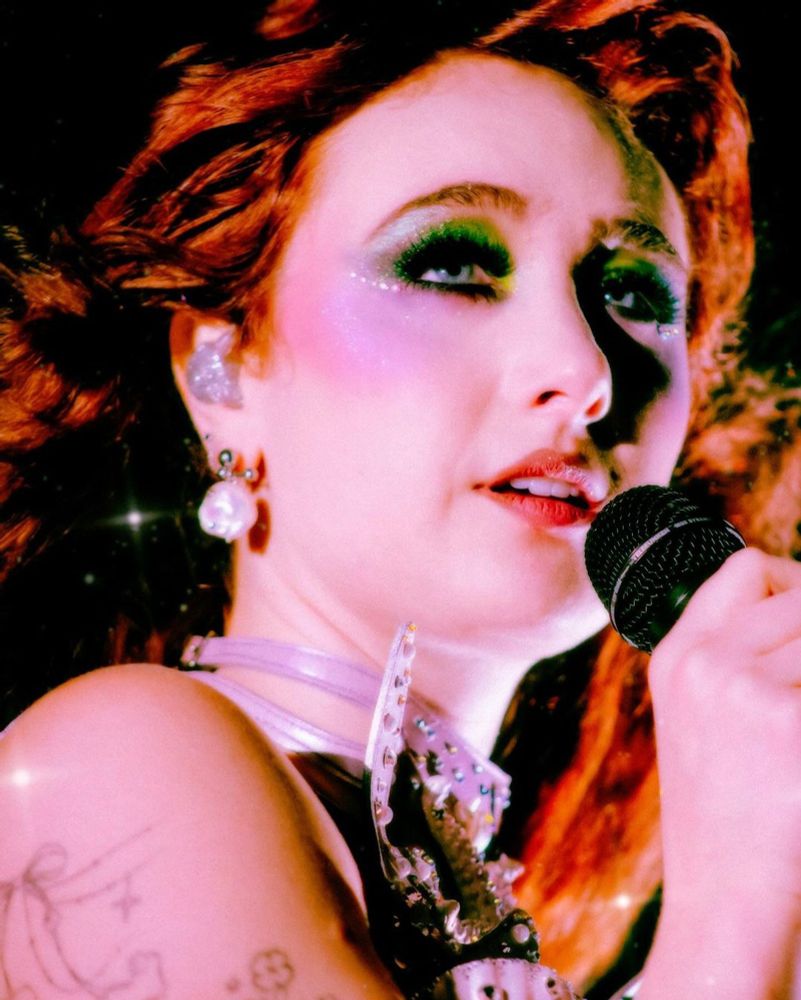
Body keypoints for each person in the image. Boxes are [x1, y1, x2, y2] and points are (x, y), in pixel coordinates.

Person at [1, 1, 800, 997]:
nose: (583, 367)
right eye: (453, 265)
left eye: (635, 293)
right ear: (224, 371)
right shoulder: (109, 773)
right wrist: (738, 908)